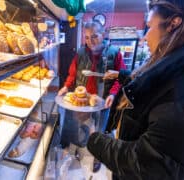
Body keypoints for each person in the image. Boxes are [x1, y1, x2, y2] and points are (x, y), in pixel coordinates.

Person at [87, 0, 184, 179]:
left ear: (173, 24)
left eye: (149, 27)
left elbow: (150, 163)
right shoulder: (180, 66)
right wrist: (122, 76)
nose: (144, 37)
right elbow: (154, 84)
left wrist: (96, 142)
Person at [58, 20, 126, 172]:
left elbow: (120, 77)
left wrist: (113, 94)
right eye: (87, 37)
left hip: (102, 101)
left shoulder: (114, 53)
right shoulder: (81, 53)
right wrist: (65, 86)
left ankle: (97, 156)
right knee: (78, 125)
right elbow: (72, 74)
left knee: (99, 129)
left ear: (103, 34)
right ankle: (76, 148)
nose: (90, 41)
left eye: (94, 36)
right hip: (83, 100)